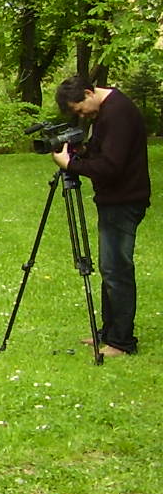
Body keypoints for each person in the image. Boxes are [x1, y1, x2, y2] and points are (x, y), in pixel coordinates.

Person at [52, 75, 152, 356]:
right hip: (115, 200)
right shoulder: (107, 111)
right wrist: (81, 151)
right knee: (110, 269)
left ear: (88, 92)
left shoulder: (118, 113)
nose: (82, 116)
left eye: (81, 110)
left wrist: (71, 165)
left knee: (116, 269)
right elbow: (102, 152)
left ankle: (122, 342)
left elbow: (110, 167)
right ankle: (108, 333)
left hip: (124, 200)